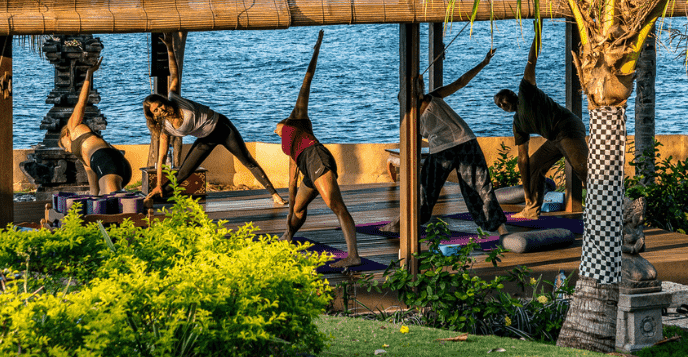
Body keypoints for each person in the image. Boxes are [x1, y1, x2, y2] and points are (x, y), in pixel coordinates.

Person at [143, 33, 286, 206]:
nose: (161, 110)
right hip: (205, 139)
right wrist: (158, 183)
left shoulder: (174, 97)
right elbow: (162, 155)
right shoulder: (164, 127)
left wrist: (169, 48)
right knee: (182, 174)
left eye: (160, 105)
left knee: (247, 160)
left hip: (223, 128)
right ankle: (153, 198)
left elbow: (174, 73)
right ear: (154, 115)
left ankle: (275, 195)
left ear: (164, 101)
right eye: (156, 111)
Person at [380, 50, 508, 236]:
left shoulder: (434, 96)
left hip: (464, 142)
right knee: (424, 191)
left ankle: (501, 229)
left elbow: (461, 82)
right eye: (417, 86)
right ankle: (402, 222)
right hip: (444, 150)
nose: (421, 85)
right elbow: (412, 145)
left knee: (481, 187)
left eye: (421, 84)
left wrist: (484, 63)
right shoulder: (411, 117)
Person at [275, 30, 361, 269]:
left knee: (336, 206)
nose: (276, 127)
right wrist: (289, 213)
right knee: (299, 208)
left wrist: (317, 48)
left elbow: (307, 80)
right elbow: (292, 179)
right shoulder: (288, 147)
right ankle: (288, 236)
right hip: (307, 167)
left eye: (278, 124)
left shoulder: (296, 120)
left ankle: (353, 255)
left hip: (317, 158)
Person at [494, 36, 588, 219]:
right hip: (554, 138)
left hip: (568, 128)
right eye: (499, 106)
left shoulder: (526, 91)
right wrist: (527, 192)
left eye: (503, 101)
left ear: (512, 95)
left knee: (581, 167)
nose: (503, 106)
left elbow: (532, 60)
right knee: (534, 166)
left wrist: (539, 30)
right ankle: (531, 209)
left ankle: (600, 206)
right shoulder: (518, 124)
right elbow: (523, 159)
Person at [59, 57, 132, 196]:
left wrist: (88, 75)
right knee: (107, 207)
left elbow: (81, 102)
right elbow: (94, 190)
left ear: (66, 135)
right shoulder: (86, 160)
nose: (67, 151)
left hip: (107, 161)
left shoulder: (73, 127)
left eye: (64, 146)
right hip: (116, 164)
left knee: (115, 207)